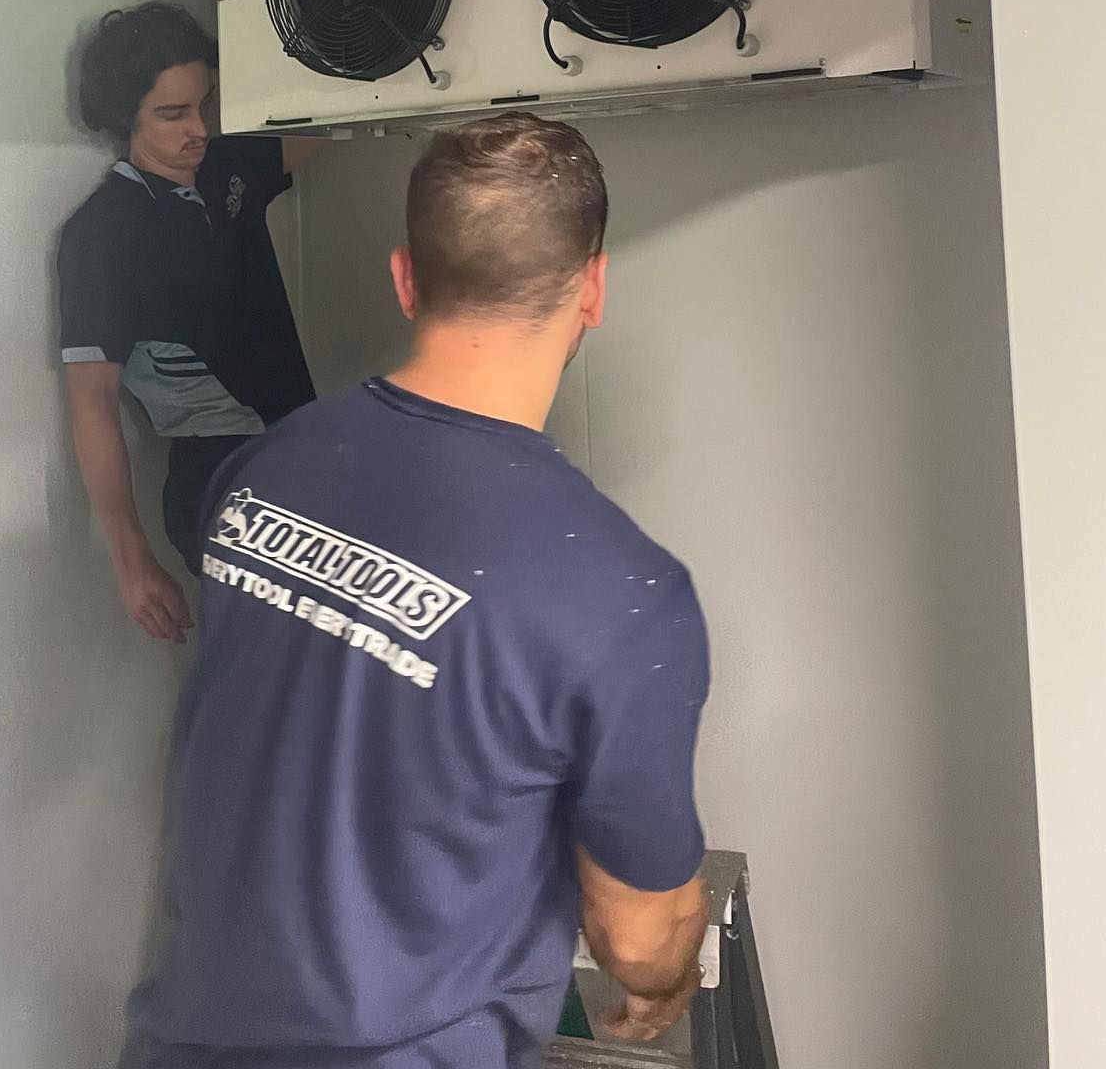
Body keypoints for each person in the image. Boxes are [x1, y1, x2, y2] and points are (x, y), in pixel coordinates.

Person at [121, 111, 711, 1067]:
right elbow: (637, 940)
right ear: (593, 289)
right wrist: (665, 977)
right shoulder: (624, 596)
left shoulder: (259, 471)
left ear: (406, 278)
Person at [58, 2, 315, 643]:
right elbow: (92, 402)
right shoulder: (102, 235)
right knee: (276, 672)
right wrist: (131, 558)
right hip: (217, 478)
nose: (198, 128)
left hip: (300, 454)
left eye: (205, 104)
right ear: (125, 117)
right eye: (172, 114)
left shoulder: (225, 165)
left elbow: (339, 126)